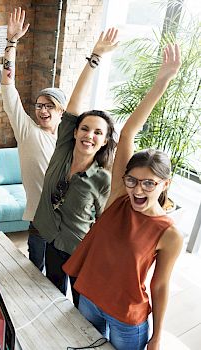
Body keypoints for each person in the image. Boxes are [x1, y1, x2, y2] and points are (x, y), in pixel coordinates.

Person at [63, 44, 183, 350]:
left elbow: (160, 284)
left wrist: (157, 335)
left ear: (164, 184)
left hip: (127, 318)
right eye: (132, 180)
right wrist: (161, 84)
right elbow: (128, 133)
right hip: (89, 299)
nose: (137, 190)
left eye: (149, 184)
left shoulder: (169, 233)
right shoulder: (118, 197)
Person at [33, 29, 120, 308]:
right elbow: (74, 106)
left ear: (104, 141)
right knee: (52, 299)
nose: (89, 136)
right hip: (50, 241)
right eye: (85, 128)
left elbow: (105, 224)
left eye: (97, 133)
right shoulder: (62, 151)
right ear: (74, 131)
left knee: (81, 307)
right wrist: (94, 58)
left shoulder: (103, 180)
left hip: (80, 252)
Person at [1, 7, 67, 272]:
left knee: (59, 273)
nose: (43, 110)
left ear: (61, 110)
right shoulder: (27, 131)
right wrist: (11, 43)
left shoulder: (70, 139)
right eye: (39, 105)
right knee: (33, 271)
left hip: (67, 222)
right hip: (40, 221)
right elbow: (8, 87)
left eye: (50, 105)